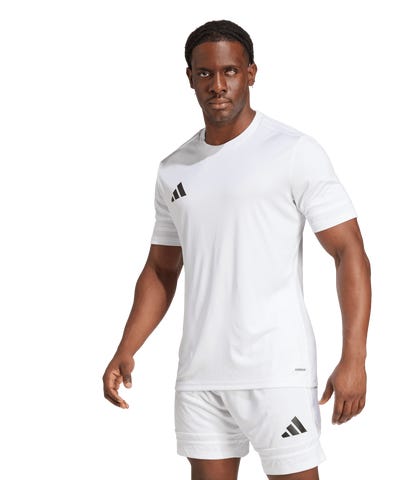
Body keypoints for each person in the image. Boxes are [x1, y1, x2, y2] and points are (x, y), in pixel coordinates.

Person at [102, 19, 371, 480]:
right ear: (190, 78)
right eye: (205, 73)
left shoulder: (293, 151)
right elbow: (162, 269)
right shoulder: (174, 168)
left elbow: (349, 253)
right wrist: (127, 346)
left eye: (229, 71)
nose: (218, 85)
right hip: (201, 374)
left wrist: (355, 358)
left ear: (251, 73)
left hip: (277, 371)